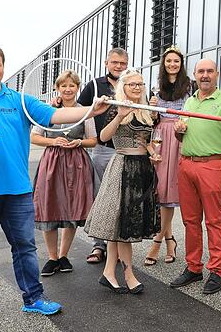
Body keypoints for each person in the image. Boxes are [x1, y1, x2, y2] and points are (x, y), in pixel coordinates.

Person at [0, 44, 108, 322]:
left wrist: (90, 111)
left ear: (4, 67)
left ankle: (34, 298)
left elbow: (55, 116)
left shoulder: (19, 101)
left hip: (17, 190)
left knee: (25, 246)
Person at [168, 59, 221, 295]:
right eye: (201, 71)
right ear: (194, 75)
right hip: (186, 165)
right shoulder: (190, 101)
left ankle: (216, 271)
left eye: (209, 71)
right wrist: (177, 131)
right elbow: (181, 135)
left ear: (217, 74)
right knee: (190, 221)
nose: (205, 75)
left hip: (211, 165)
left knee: (213, 220)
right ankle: (193, 267)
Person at [84, 69, 162, 295]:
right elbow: (104, 138)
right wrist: (119, 115)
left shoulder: (147, 111)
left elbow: (145, 141)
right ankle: (127, 273)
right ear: (123, 87)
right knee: (121, 223)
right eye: (132, 85)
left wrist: (152, 152)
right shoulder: (116, 107)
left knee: (121, 224)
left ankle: (109, 273)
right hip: (122, 167)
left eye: (140, 84)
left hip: (142, 169)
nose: (137, 88)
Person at [31, 70, 97, 277]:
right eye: (63, 86)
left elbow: (93, 140)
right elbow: (34, 137)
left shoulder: (84, 111)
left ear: (78, 88)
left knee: (72, 208)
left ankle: (63, 255)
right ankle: (52, 257)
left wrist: (80, 142)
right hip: (52, 161)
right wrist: (53, 141)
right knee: (48, 206)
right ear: (57, 88)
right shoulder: (48, 109)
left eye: (72, 86)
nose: (68, 89)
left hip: (77, 162)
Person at [78, 47, 129, 264]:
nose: (118, 66)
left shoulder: (132, 84)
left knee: (121, 201)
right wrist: (58, 104)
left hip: (126, 151)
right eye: (115, 62)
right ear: (106, 62)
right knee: (101, 198)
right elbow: (79, 110)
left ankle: (116, 246)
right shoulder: (95, 85)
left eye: (122, 63)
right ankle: (99, 245)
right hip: (103, 148)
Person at [143, 46, 192, 266]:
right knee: (160, 190)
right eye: (169, 61)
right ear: (164, 64)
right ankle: (170, 239)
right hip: (160, 137)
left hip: (179, 136)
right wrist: (152, 108)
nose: (172, 64)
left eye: (176, 62)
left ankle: (157, 240)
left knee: (170, 189)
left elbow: (190, 114)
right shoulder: (157, 88)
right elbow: (152, 119)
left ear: (181, 65)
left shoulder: (189, 86)